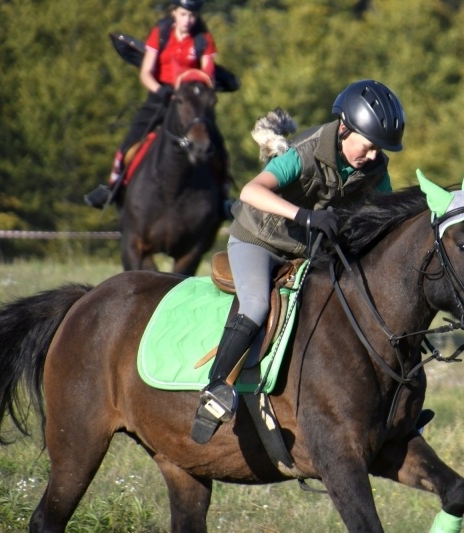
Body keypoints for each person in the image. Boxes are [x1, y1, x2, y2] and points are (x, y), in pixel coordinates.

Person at [191, 79, 406, 443]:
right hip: (258, 238)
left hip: (307, 251)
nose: (372, 157)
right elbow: (251, 191)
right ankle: (215, 389)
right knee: (257, 303)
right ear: (344, 129)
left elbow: (383, 219)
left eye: (378, 150)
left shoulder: (374, 170)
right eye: (368, 147)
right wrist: (304, 217)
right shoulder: (304, 151)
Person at [85, 0, 228, 208]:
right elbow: (145, 72)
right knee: (130, 141)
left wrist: (188, 89)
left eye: (192, 16)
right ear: (174, 13)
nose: (188, 20)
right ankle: (112, 186)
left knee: (216, 145)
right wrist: (161, 90)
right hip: (160, 96)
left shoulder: (203, 39)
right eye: (183, 14)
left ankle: (223, 196)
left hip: (190, 101)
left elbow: (207, 76)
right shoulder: (161, 33)